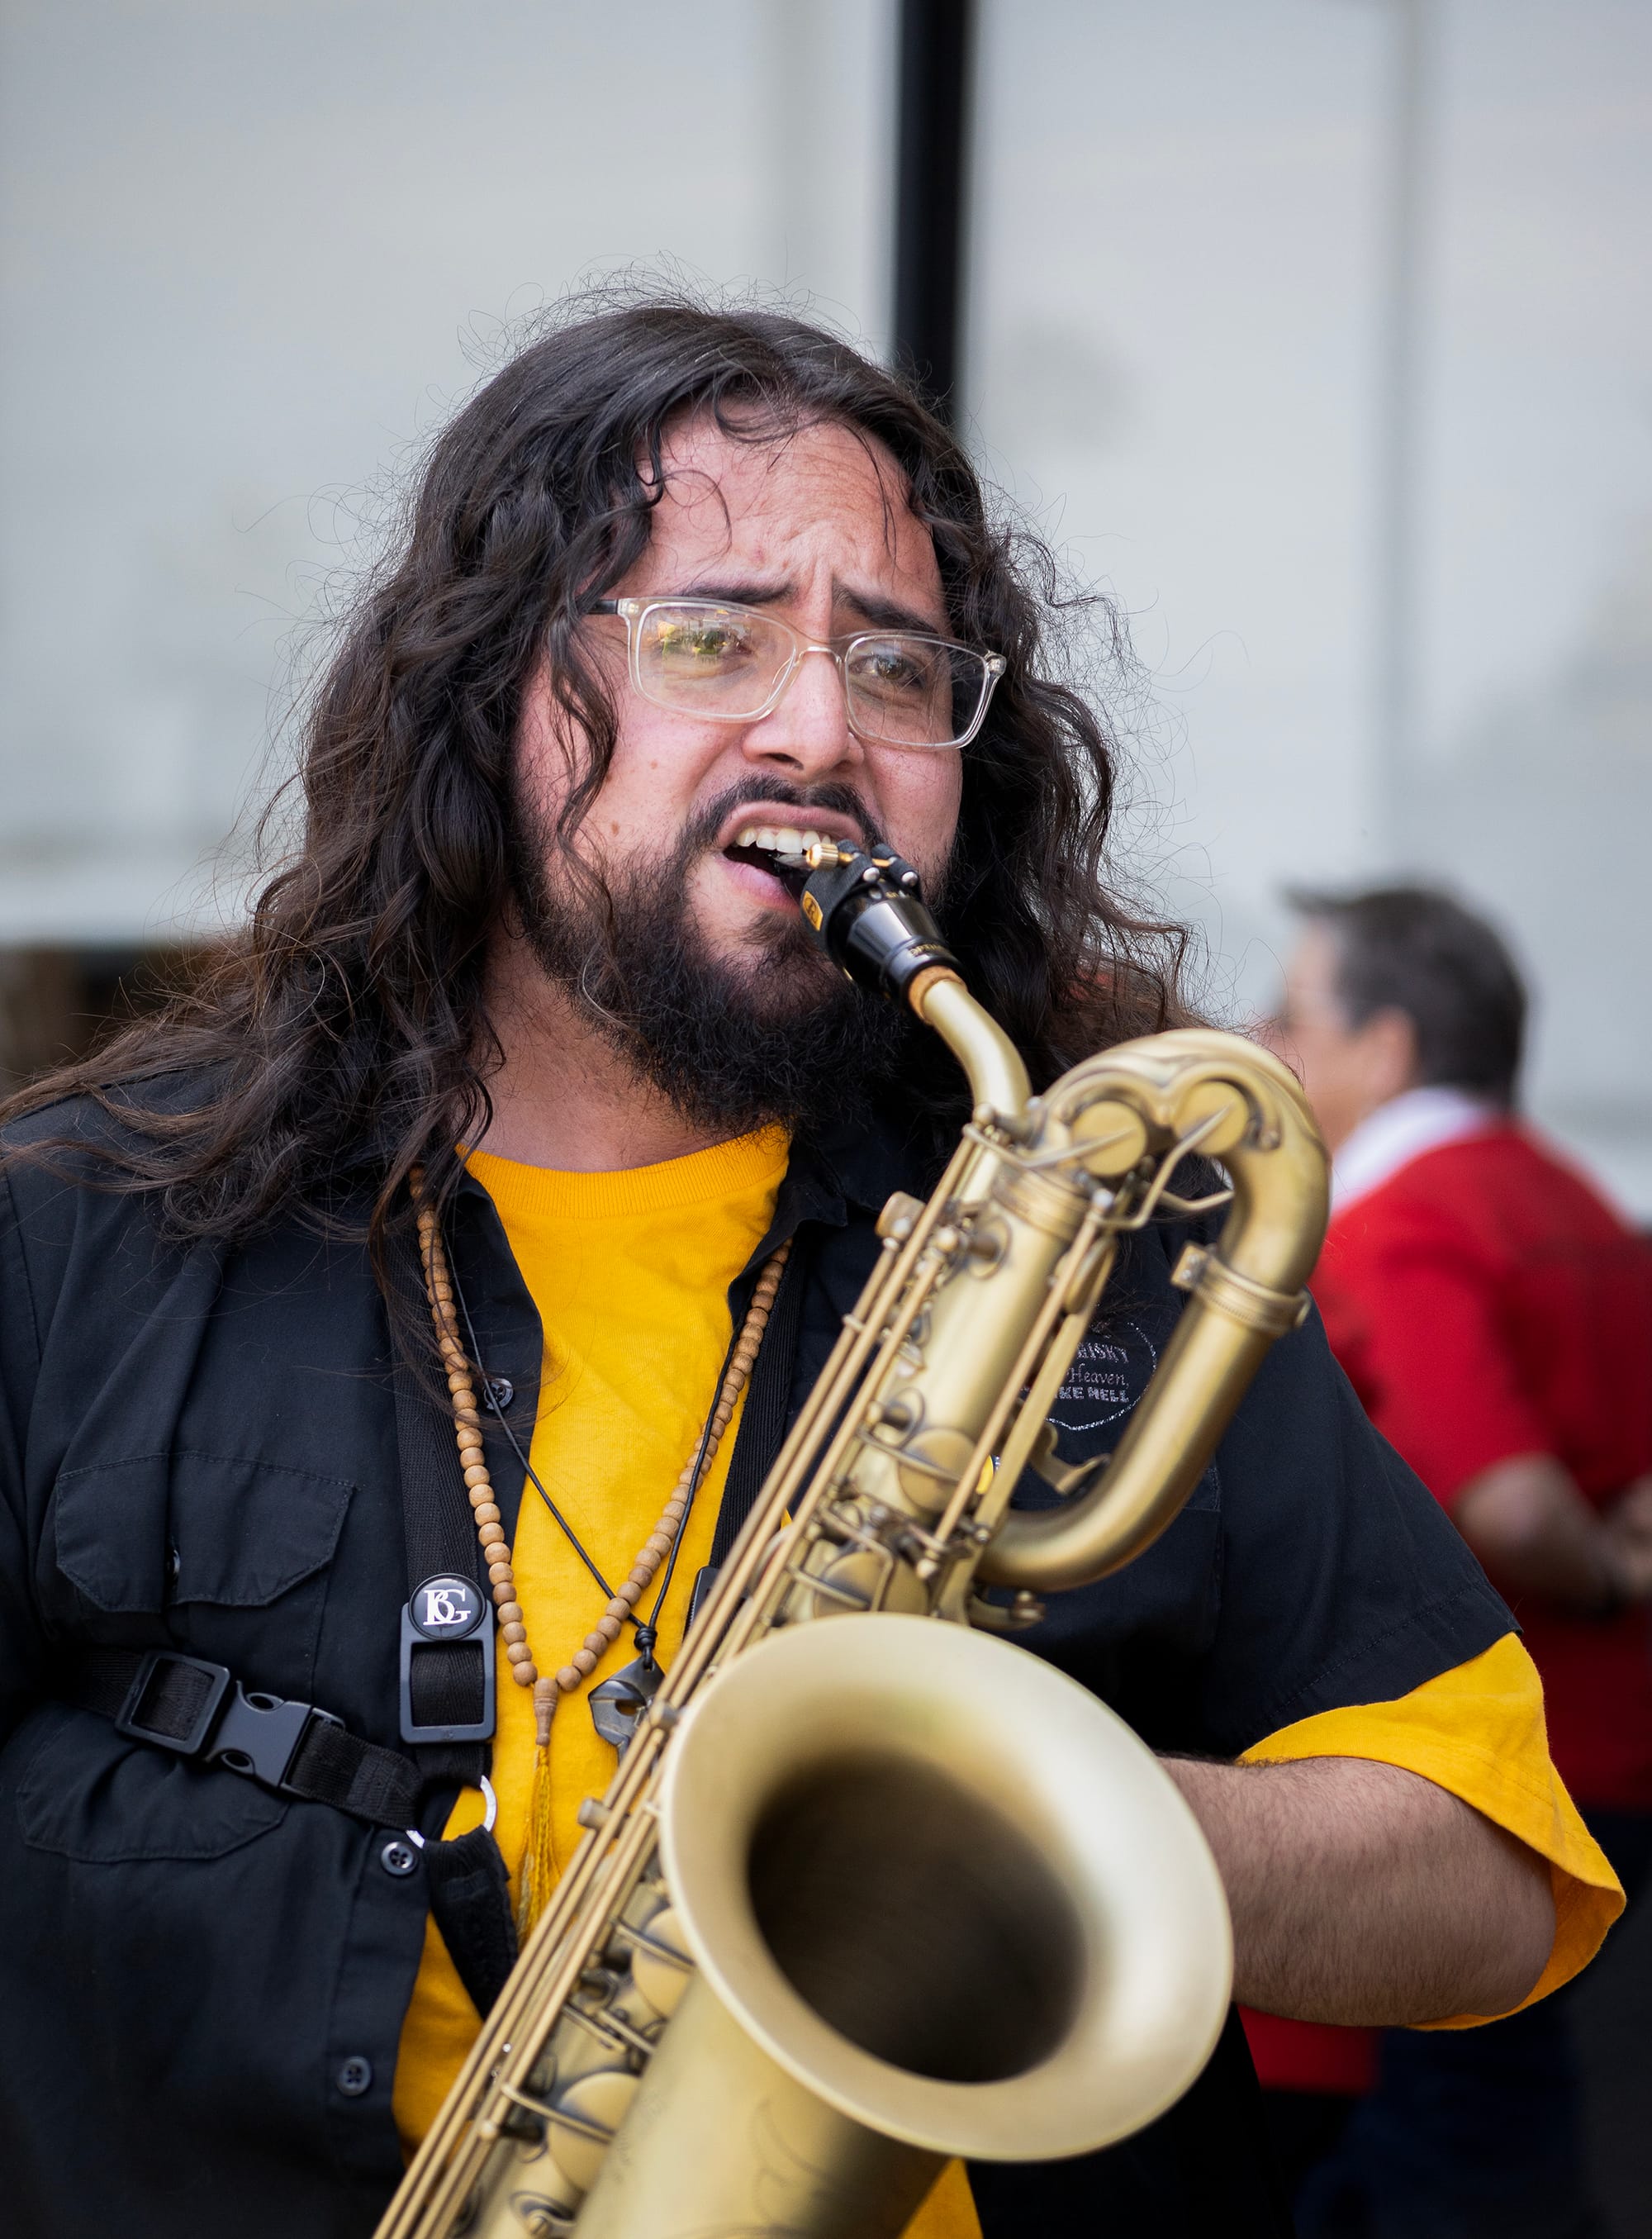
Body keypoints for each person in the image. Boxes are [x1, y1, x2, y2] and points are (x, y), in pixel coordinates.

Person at [0, 301, 1621, 2239]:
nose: (822, 725)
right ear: (488, 689)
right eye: (715, 633)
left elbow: (1491, 1874)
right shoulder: (83, 1227)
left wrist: (1048, 1829)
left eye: (898, 661)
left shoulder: (1089, 1239)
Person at [1261, 883, 1652, 2237]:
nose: (1268, 1041)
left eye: (1296, 1016)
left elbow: (1507, 1496)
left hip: (1504, 1787)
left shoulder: (1396, 1227)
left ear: (1388, 1048)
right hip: (1619, 1759)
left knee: (1457, 2161)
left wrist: (1597, 1569)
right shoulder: (1577, 1198)